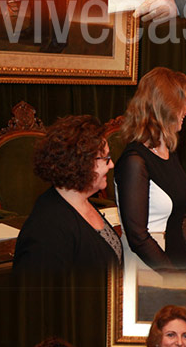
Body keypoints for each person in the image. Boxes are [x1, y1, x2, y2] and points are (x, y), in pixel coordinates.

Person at [12, 115, 122, 272]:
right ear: (83, 164)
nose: (111, 165)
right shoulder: (48, 230)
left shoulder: (81, 202)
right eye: (106, 159)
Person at [114, 68, 186, 272]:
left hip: (175, 263)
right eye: (182, 103)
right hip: (150, 268)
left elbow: (180, 214)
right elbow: (138, 237)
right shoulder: (134, 161)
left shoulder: (168, 152)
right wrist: (173, 278)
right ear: (165, 107)